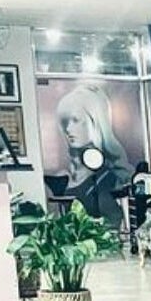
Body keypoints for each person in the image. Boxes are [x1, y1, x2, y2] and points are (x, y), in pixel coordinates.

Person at [56, 84, 132, 221]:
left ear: (95, 121)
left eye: (75, 120)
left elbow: (114, 219)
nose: (68, 129)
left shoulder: (109, 178)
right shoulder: (62, 176)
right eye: (65, 122)